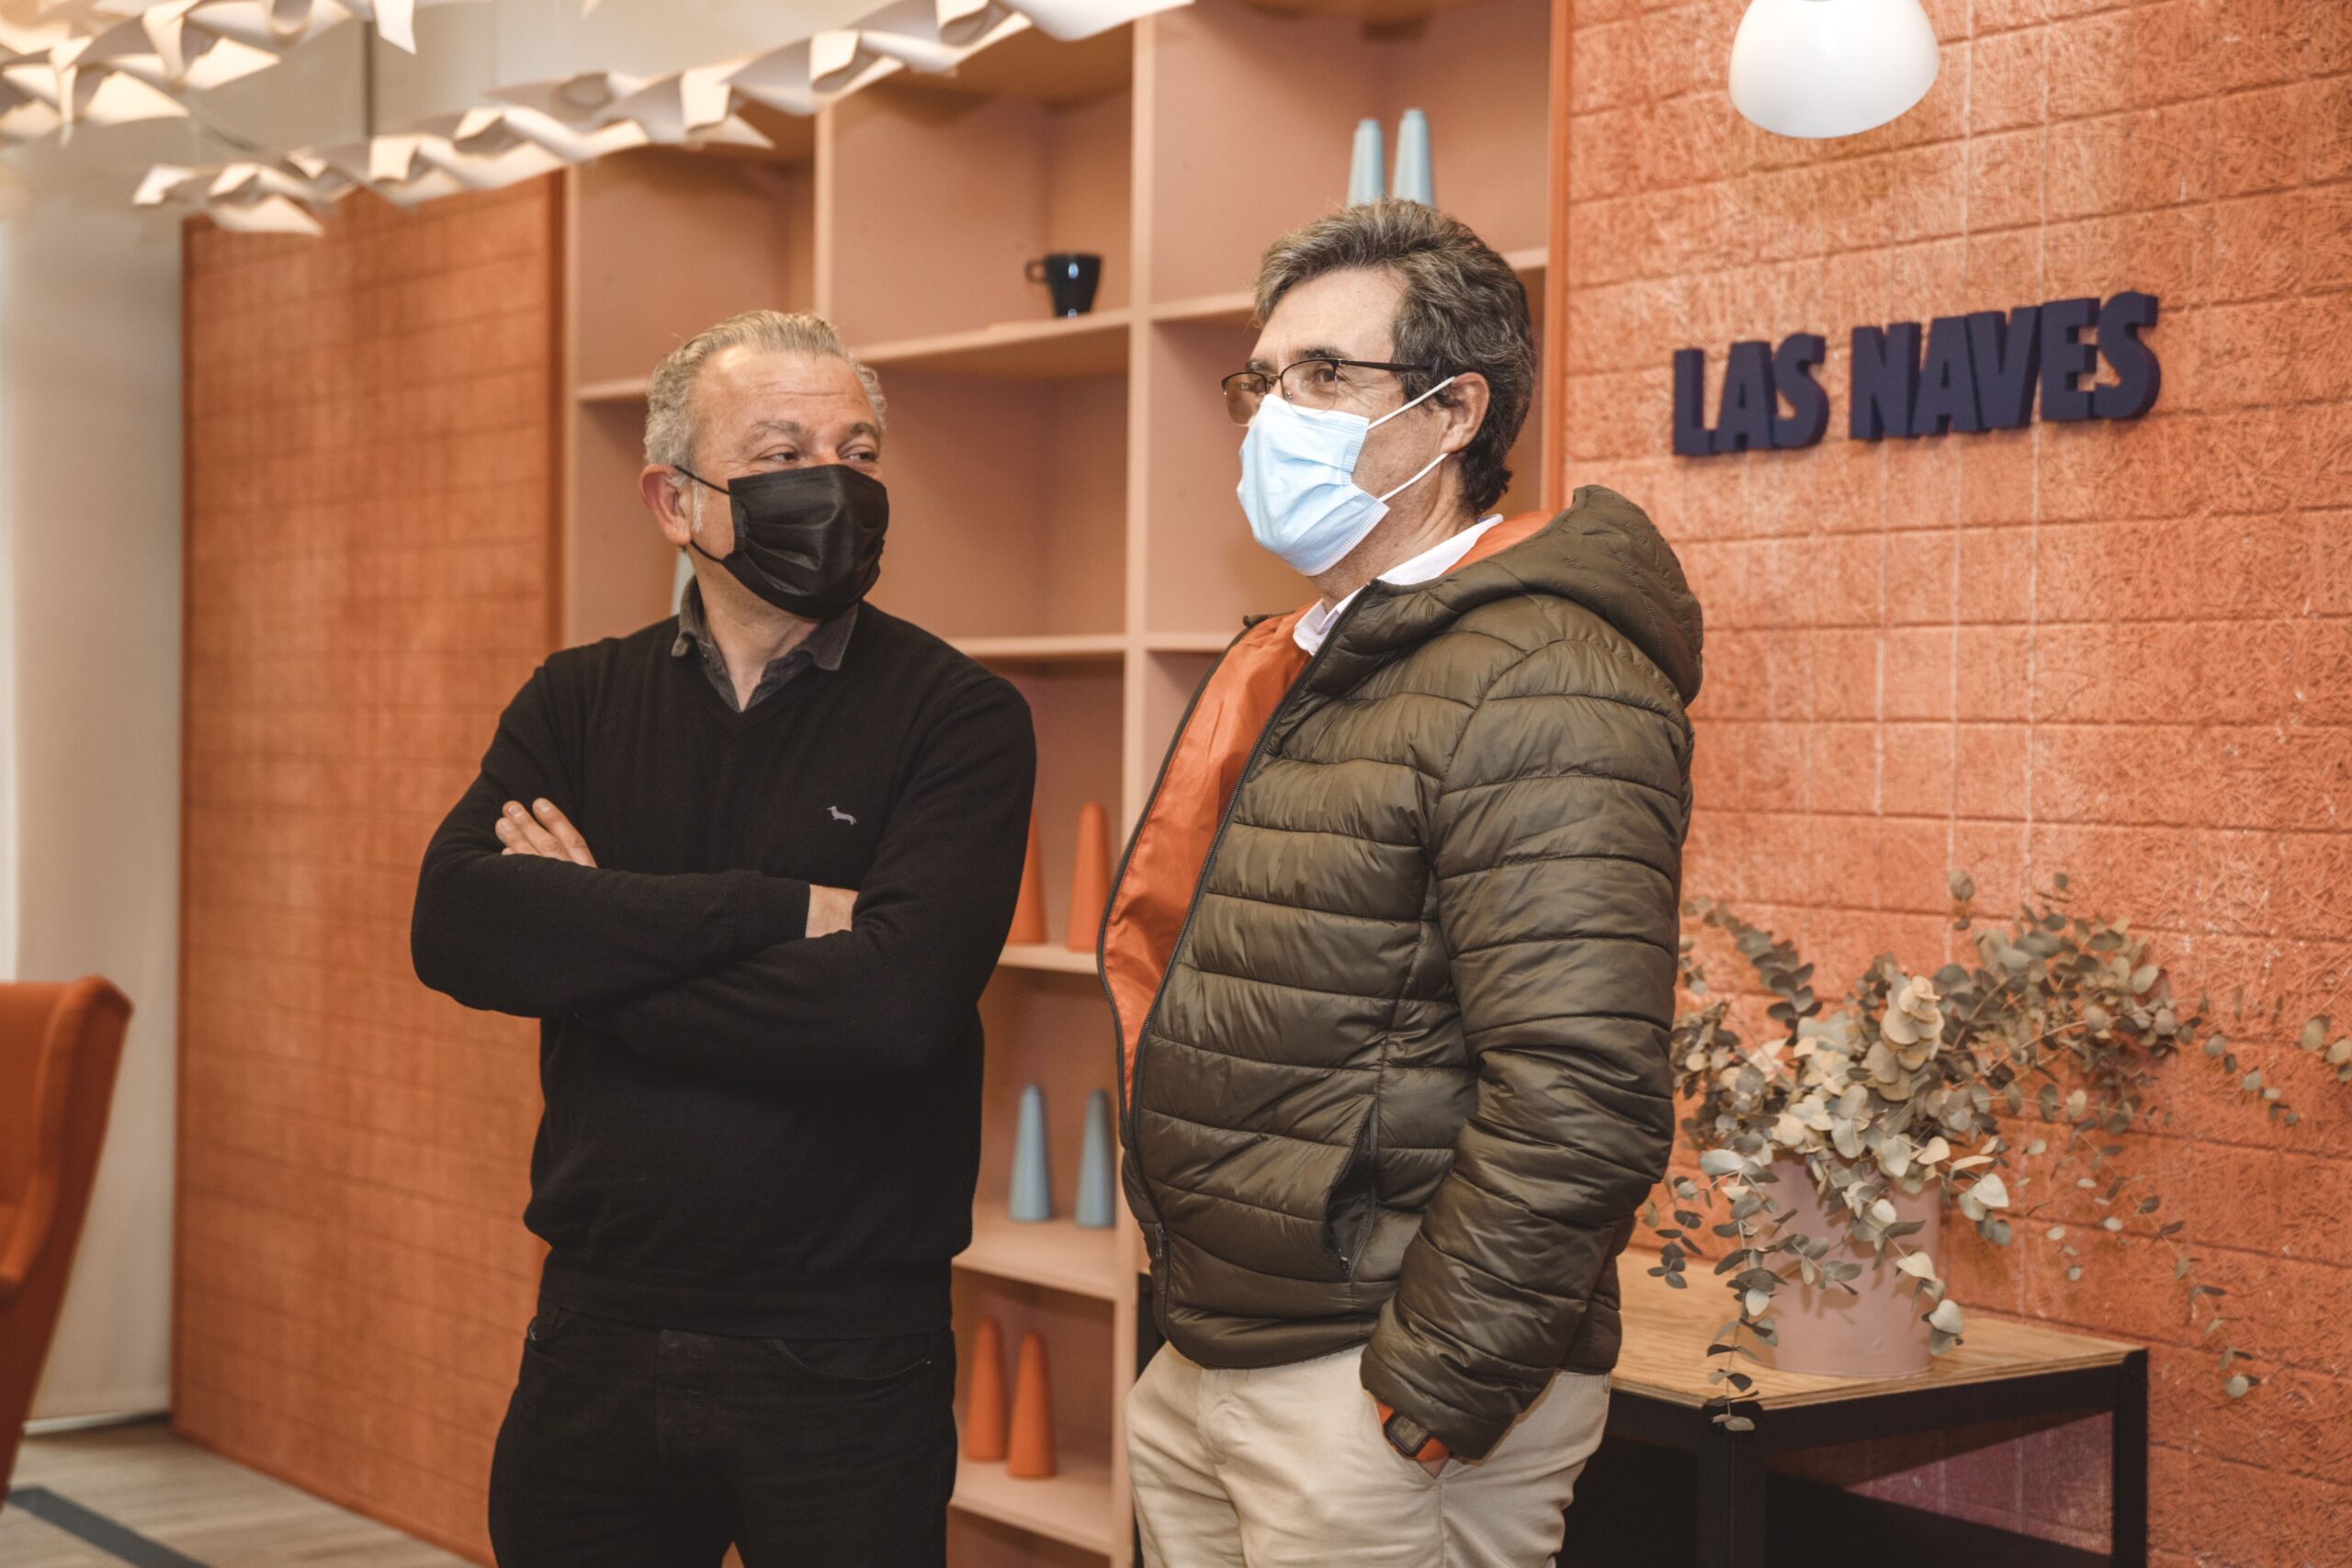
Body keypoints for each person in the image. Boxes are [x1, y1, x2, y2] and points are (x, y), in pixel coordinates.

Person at [1102, 200, 1702, 1566]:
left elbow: (1582, 1087)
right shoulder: (1313, 651)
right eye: (1263, 379)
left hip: (1375, 1390)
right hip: (1218, 1350)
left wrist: (1431, 1394)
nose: (1274, 415)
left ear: (1453, 414)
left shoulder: (1543, 670)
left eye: (1325, 374)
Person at [409, 310, 1035, 1567]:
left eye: (858, 453)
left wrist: (591, 956)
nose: (834, 484)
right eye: (782, 453)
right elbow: (459, 927)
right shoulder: (576, 700)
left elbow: (891, 1008)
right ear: (674, 501)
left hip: (848, 1357)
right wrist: (778, 912)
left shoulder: (961, 718)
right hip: (595, 1332)